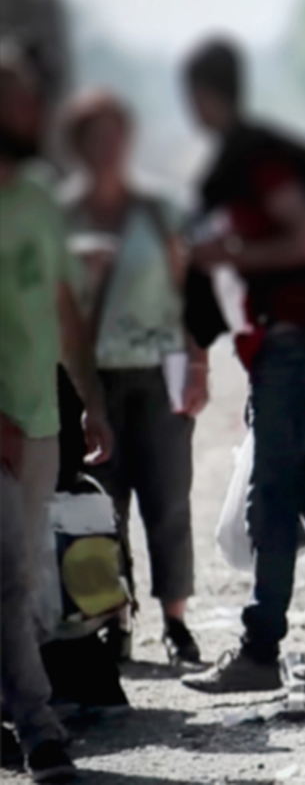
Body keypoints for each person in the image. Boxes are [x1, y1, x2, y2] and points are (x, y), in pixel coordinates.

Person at [180, 38, 305, 692]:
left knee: (273, 502)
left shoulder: (259, 161)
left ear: (207, 96)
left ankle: (259, 653)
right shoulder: (252, 156)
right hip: (292, 348)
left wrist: (229, 252)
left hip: (294, 350)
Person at [60, 89, 207, 668]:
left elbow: (186, 291)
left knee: (168, 499)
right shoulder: (62, 216)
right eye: (95, 136)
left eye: (116, 134)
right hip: (87, 375)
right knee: (101, 507)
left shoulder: (156, 209)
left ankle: (176, 622)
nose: (108, 147)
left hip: (158, 368)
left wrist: (197, 361)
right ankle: (112, 623)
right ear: (79, 144)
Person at [0, 41, 114, 783]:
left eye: (31, 98)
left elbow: (66, 312)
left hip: (40, 422)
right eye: (15, 97)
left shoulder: (38, 196)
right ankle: (40, 730)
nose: (31, 110)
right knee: (10, 574)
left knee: (21, 580)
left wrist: (89, 405)